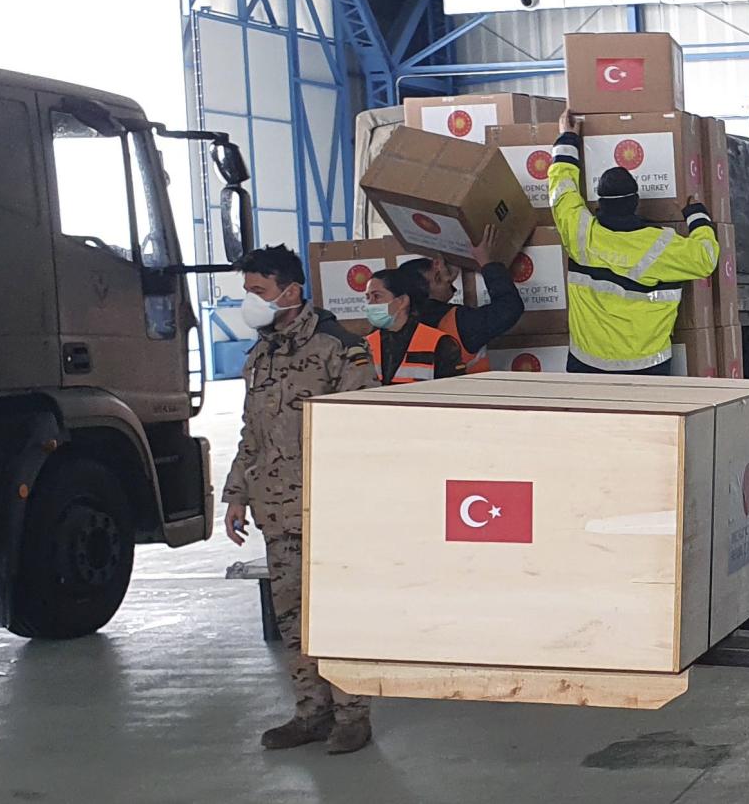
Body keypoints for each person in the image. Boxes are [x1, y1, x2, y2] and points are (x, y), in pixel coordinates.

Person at [222, 245, 378, 755]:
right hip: (276, 511)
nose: (251, 302)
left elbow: (360, 433)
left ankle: (353, 715)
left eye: (259, 292)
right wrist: (237, 495)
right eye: (248, 292)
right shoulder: (261, 354)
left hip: (328, 510)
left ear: (290, 292)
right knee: (292, 617)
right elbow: (252, 432)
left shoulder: (339, 349)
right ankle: (312, 712)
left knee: (338, 614)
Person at [548, 109, 720, 375]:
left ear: (598, 203)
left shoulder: (580, 232)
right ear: (636, 202)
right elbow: (706, 257)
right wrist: (697, 216)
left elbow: (562, 190)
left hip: (586, 364)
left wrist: (567, 138)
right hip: (647, 366)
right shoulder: (661, 246)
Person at [396, 224, 523, 373]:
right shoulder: (457, 323)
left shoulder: (395, 327)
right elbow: (509, 308)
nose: (448, 279)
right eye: (439, 277)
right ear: (435, 280)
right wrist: (487, 263)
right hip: (466, 393)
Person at [364, 267, 465, 384]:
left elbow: (453, 391)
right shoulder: (366, 344)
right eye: (367, 297)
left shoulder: (439, 343)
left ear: (402, 301)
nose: (370, 303)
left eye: (377, 296)